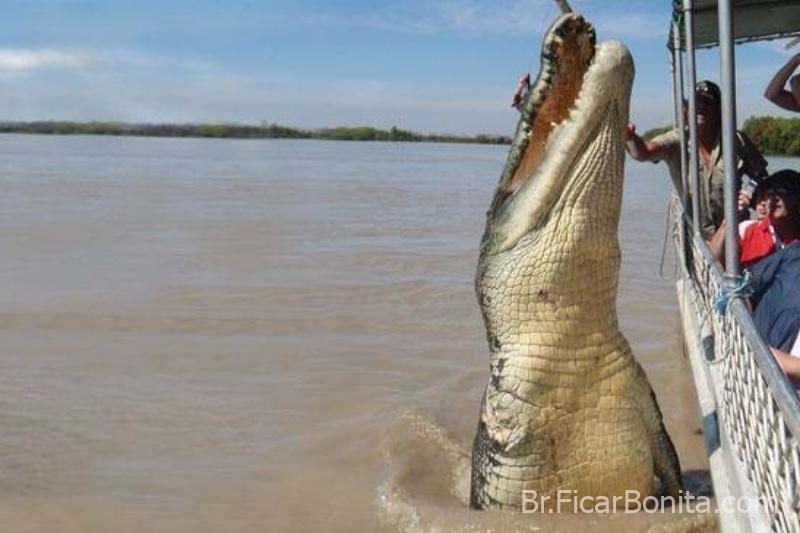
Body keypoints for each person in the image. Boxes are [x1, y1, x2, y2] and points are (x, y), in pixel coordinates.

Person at [626, 80, 768, 240]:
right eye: (696, 103)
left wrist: (750, 194)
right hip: (696, 239)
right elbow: (644, 152)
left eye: (708, 103)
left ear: (718, 110)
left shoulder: (735, 140)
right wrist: (630, 136)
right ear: (687, 110)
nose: (701, 108)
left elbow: (761, 176)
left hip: (735, 232)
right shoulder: (677, 140)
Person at [709, 170, 800, 268]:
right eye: (770, 193)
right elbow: (711, 261)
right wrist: (729, 218)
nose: (774, 198)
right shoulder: (745, 229)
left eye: (782, 192)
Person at [748, 241, 800, 382]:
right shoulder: (793, 254)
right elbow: (745, 288)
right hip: (747, 374)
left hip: (785, 397)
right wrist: (745, 331)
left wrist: (766, 355)